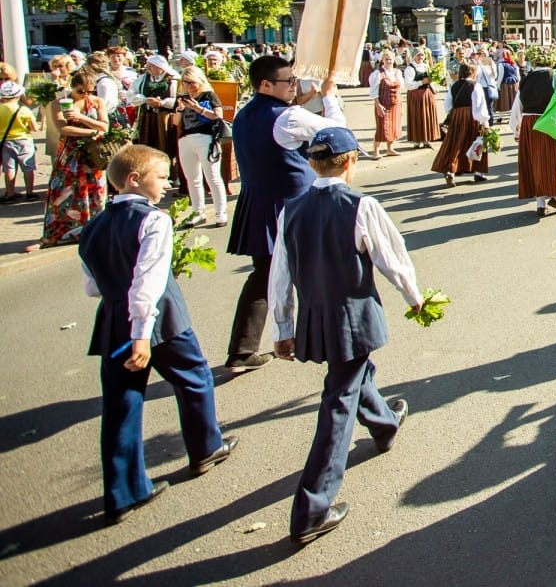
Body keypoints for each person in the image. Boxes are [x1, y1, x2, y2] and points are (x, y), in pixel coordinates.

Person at [268, 127, 422, 545]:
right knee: (338, 399)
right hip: (351, 314)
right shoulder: (360, 205)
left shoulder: (292, 209)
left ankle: (385, 423)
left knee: (352, 376)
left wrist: (284, 327)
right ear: (350, 161)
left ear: (311, 163)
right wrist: (414, 296)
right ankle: (312, 508)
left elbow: (279, 273)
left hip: (316, 315)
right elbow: (391, 255)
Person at [79, 145, 237, 524]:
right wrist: (141, 333)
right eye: (161, 177)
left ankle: (123, 491)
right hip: (158, 320)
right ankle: (205, 447)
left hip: (114, 317)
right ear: (135, 179)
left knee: (121, 403)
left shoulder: (92, 227)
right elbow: (147, 281)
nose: (167, 185)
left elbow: (92, 288)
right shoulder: (154, 221)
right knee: (195, 377)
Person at [224, 56, 344, 373]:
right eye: (288, 82)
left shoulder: (244, 114)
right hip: (291, 205)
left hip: (260, 203)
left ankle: (242, 351)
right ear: (266, 84)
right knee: (317, 272)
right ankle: (328, 341)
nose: (294, 87)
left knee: (263, 276)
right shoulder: (286, 117)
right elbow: (338, 134)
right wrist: (329, 96)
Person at [27, 72, 110, 251]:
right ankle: (56, 234)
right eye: (81, 91)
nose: (86, 95)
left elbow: (105, 125)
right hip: (70, 153)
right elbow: (63, 128)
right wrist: (92, 131)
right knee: (62, 191)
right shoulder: (59, 103)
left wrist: (81, 118)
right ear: (72, 87)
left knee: (94, 191)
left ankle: (93, 231)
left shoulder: (97, 102)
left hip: (93, 154)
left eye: (89, 91)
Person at [509, 46, 556, 217]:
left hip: (529, 122)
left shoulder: (526, 78)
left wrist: (515, 128)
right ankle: (555, 196)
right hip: (550, 122)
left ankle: (541, 203)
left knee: (536, 162)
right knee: (554, 159)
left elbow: (517, 104)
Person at [172, 66, 227, 227]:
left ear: (200, 81)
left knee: (212, 176)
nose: (189, 87)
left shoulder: (209, 95)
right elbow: (176, 122)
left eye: (192, 83)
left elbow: (218, 116)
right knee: (192, 179)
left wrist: (198, 108)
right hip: (186, 139)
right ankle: (198, 211)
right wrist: (180, 109)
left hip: (206, 138)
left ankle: (220, 211)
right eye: (185, 83)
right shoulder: (183, 98)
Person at [432, 62, 490, 186]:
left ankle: (451, 170)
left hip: (457, 116)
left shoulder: (454, 86)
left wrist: (455, 113)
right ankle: (479, 172)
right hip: (472, 116)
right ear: (473, 73)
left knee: (456, 143)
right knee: (477, 141)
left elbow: (447, 105)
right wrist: (484, 122)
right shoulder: (476, 86)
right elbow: (479, 105)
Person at [0, 82, 39, 202]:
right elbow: (34, 128)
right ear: (18, 96)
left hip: (5, 141)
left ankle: (10, 193)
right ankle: (30, 192)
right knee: (28, 167)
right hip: (24, 140)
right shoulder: (23, 109)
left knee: (9, 168)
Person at [368, 50, 404, 158]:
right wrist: (378, 104)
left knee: (394, 126)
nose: (389, 61)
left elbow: (400, 88)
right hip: (383, 104)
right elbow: (373, 91)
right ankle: (375, 151)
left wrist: (400, 104)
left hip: (395, 104)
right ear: (382, 60)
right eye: (386, 59)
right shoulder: (378, 73)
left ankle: (390, 149)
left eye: (390, 59)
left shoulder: (397, 72)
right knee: (382, 128)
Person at [403, 50, 441, 149]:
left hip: (427, 94)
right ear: (414, 56)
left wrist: (433, 87)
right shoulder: (410, 68)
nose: (420, 57)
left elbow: (429, 80)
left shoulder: (426, 66)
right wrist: (421, 82)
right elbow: (408, 85)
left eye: (422, 55)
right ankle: (417, 139)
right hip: (416, 95)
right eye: (418, 55)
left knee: (427, 116)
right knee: (418, 117)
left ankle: (427, 139)